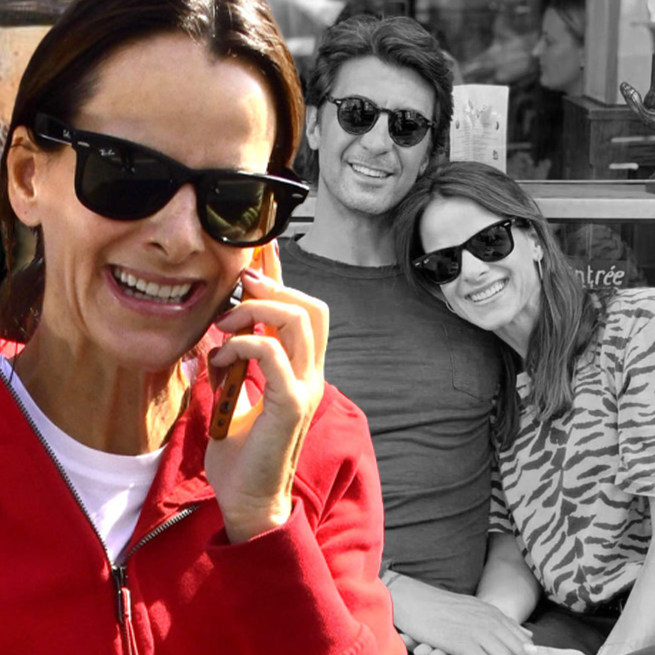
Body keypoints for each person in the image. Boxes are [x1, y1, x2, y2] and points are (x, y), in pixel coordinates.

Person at [0, 0, 406, 653]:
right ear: (27, 177)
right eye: (127, 171)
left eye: (233, 197)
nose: (181, 238)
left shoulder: (316, 443)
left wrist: (265, 523)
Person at [279, 14, 507, 653]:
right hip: (315, 624)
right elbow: (214, 501)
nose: (379, 142)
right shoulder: (261, 289)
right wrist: (395, 594)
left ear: (430, 153)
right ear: (315, 126)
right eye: (357, 114)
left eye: (407, 126)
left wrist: (489, 623)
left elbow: (525, 486)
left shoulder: (467, 285)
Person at [394, 159, 655, 655]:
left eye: (490, 242)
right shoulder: (500, 397)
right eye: (445, 264)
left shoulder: (636, 330)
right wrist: (477, 632)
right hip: (579, 624)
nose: (473, 271)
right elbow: (513, 551)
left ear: (534, 238)